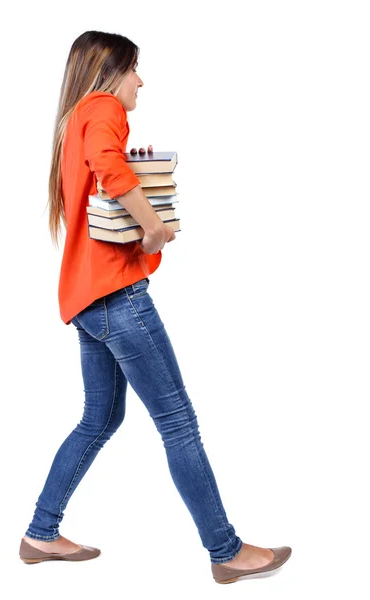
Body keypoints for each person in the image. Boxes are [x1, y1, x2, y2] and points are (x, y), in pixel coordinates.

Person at [19, 30, 292, 584]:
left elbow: (100, 170)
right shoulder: (101, 109)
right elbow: (110, 166)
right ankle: (226, 551)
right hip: (118, 298)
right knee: (179, 423)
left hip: (87, 299)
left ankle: (40, 533)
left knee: (99, 418)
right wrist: (154, 226)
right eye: (135, 69)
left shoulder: (73, 117)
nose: (141, 80)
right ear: (110, 70)